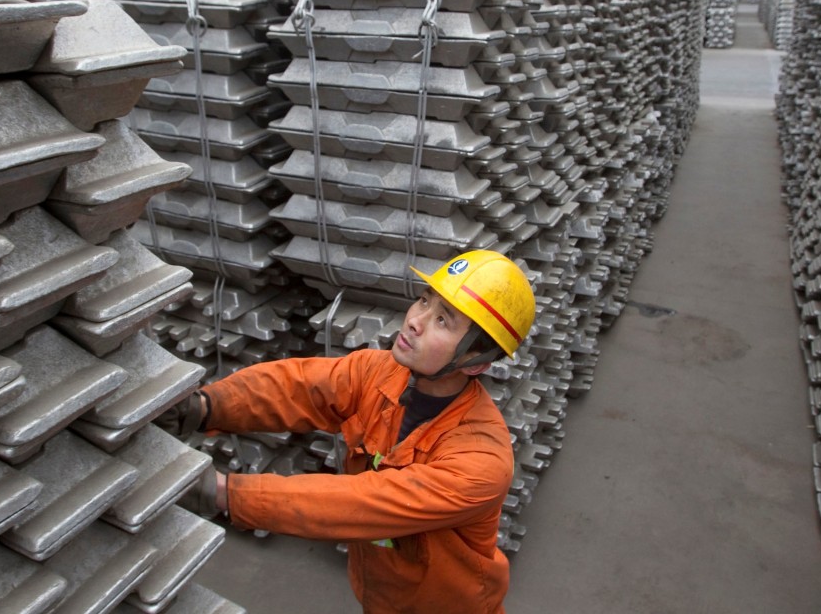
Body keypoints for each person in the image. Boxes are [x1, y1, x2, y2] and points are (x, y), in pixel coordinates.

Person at [158, 250, 537, 614]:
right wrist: (205, 406)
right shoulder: (380, 372)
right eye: (424, 300)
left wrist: (223, 493)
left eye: (443, 320)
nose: (415, 320)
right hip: (381, 588)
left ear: (475, 364)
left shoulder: (481, 461)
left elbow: (361, 501)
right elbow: (299, 387)